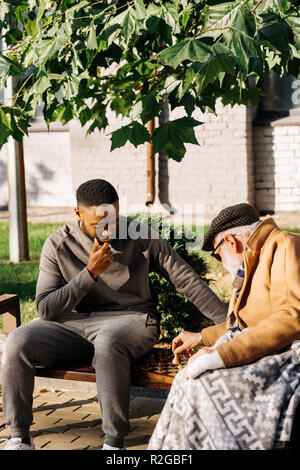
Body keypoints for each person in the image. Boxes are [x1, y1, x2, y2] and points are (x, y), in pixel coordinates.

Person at [1, 178, 227, 451]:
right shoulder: (59, 244)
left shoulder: (140, 235)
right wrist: (89, 274)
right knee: (17, 340)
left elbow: (185, 279)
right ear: (77, 214)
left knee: (108, 343)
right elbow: (46, 309)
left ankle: (113, 443)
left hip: (131, 320)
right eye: (99, 223)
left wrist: (228, 323)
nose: (109, 228)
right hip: (73, 325)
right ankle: (20, 437)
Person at [148, 203, 300, 450]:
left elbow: (289, 317)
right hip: (264, 348)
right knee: (186, 379)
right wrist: (201, 337)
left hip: (285, 354)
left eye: (218, 254)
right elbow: (248, 324)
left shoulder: (283, 244)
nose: (220, 262)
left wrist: (221, 355)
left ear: (231, 242)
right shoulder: (252, 262)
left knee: (200, 384)